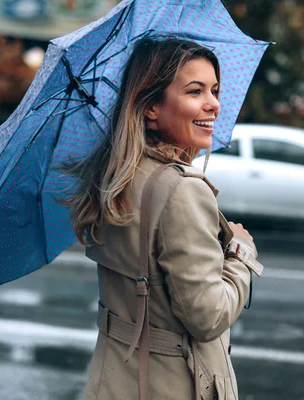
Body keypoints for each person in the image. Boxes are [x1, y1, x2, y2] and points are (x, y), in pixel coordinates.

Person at [62, 35, 263, 400]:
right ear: (151, 107)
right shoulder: (182, 190)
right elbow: (207, 318)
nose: (214, 104)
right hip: (170, 384)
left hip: (113, 380)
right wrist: (240, 255)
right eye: (195, 91)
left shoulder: (113, 176)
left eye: (214, 90)